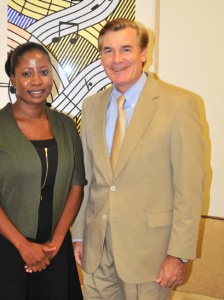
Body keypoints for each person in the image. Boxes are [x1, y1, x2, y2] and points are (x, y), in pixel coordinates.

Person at [72, 18, 205, 300]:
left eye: (126, 49)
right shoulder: (92, 106)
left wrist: (178, 254)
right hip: (97, 254)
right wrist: (79, 235)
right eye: (108, 51)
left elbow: (189, 187)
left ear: (144, 53)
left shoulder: (179, 105)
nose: (117, 59)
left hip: (150, 257)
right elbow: (85, 177)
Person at [0, 42, 86, 300]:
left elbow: (77, 185)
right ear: (13, 79)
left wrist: (57, 242)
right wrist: (23, 246)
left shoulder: (67, 126)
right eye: (26, 73)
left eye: (44, 72)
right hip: (2, 248)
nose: (37, 81)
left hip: (53, 250)